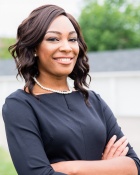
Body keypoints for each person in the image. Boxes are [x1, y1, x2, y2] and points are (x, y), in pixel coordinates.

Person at [2, 4, 140, 175]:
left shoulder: (93, 100)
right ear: (34, 47)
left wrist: (71, 168)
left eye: (72, 39)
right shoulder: (20, 105)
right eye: (53, 39)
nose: (67, 47)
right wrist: (106, 168)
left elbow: (134, 166)